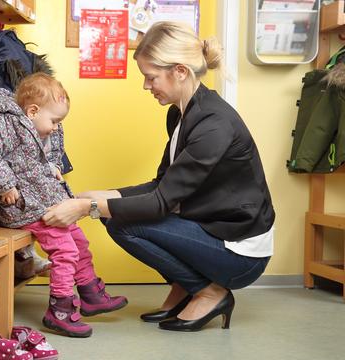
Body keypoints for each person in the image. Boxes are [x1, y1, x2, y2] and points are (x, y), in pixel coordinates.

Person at [41, 21, 275, 332]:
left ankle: (208, 291)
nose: (146, 86)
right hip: (213, 230)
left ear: (179, 71)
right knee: (115, 214)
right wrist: (103, 194)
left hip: (240, 253)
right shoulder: (181, 113)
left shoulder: (214, 124)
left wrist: (88, 208)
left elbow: (162, 201)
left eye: (151, 77)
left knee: (123, 223)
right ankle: (188, 286)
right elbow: (162, 185)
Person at [0, 73, 128, 338]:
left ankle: (89, 291)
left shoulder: (44, 126)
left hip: (45, 201)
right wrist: (6, 185)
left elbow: (47, 154)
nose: (56, 127)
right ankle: (60, 309)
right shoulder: (4, 125)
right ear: (32, 111)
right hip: (23, 206)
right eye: (54, 121)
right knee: (65, 250)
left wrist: (54, 166)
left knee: (78, 240)